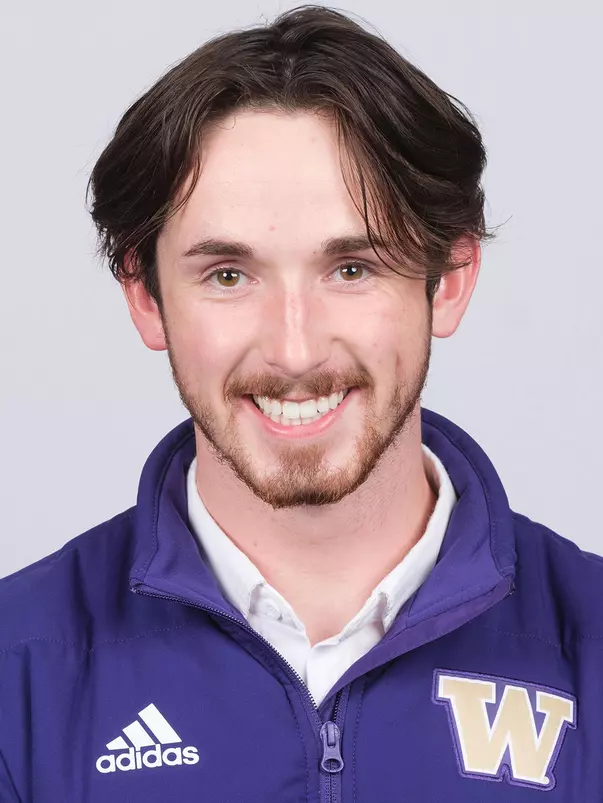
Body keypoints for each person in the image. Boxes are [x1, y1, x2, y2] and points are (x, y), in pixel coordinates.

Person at [0, 5, 599, 801]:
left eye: (351, 267)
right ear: (146, 298)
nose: (293, 350)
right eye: (227, 275)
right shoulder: (19, 669)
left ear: (448, 282)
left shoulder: (589, 644)